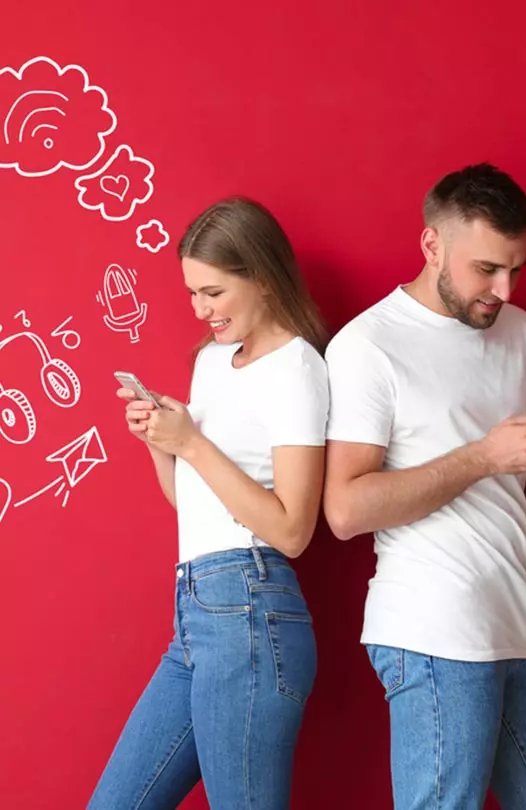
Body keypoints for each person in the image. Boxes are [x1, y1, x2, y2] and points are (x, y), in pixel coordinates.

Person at [322, 163, 526, 809]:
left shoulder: (523, 333)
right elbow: (345, 509)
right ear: (432, 245)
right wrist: (480, 456)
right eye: (486, 269)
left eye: (515, 269)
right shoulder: (368, 346)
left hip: (516, 628)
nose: (502, 288)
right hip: (431, 629)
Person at [89, 197, 329, 810]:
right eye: (193, 293)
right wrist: (159, 442)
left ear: (264, 277)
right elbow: (193, 506)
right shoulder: (212, 363)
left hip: (249, 610)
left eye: (214, 292)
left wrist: (192, 442)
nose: (200, 309)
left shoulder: (298, 367)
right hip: (195, 614)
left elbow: (293, 528)